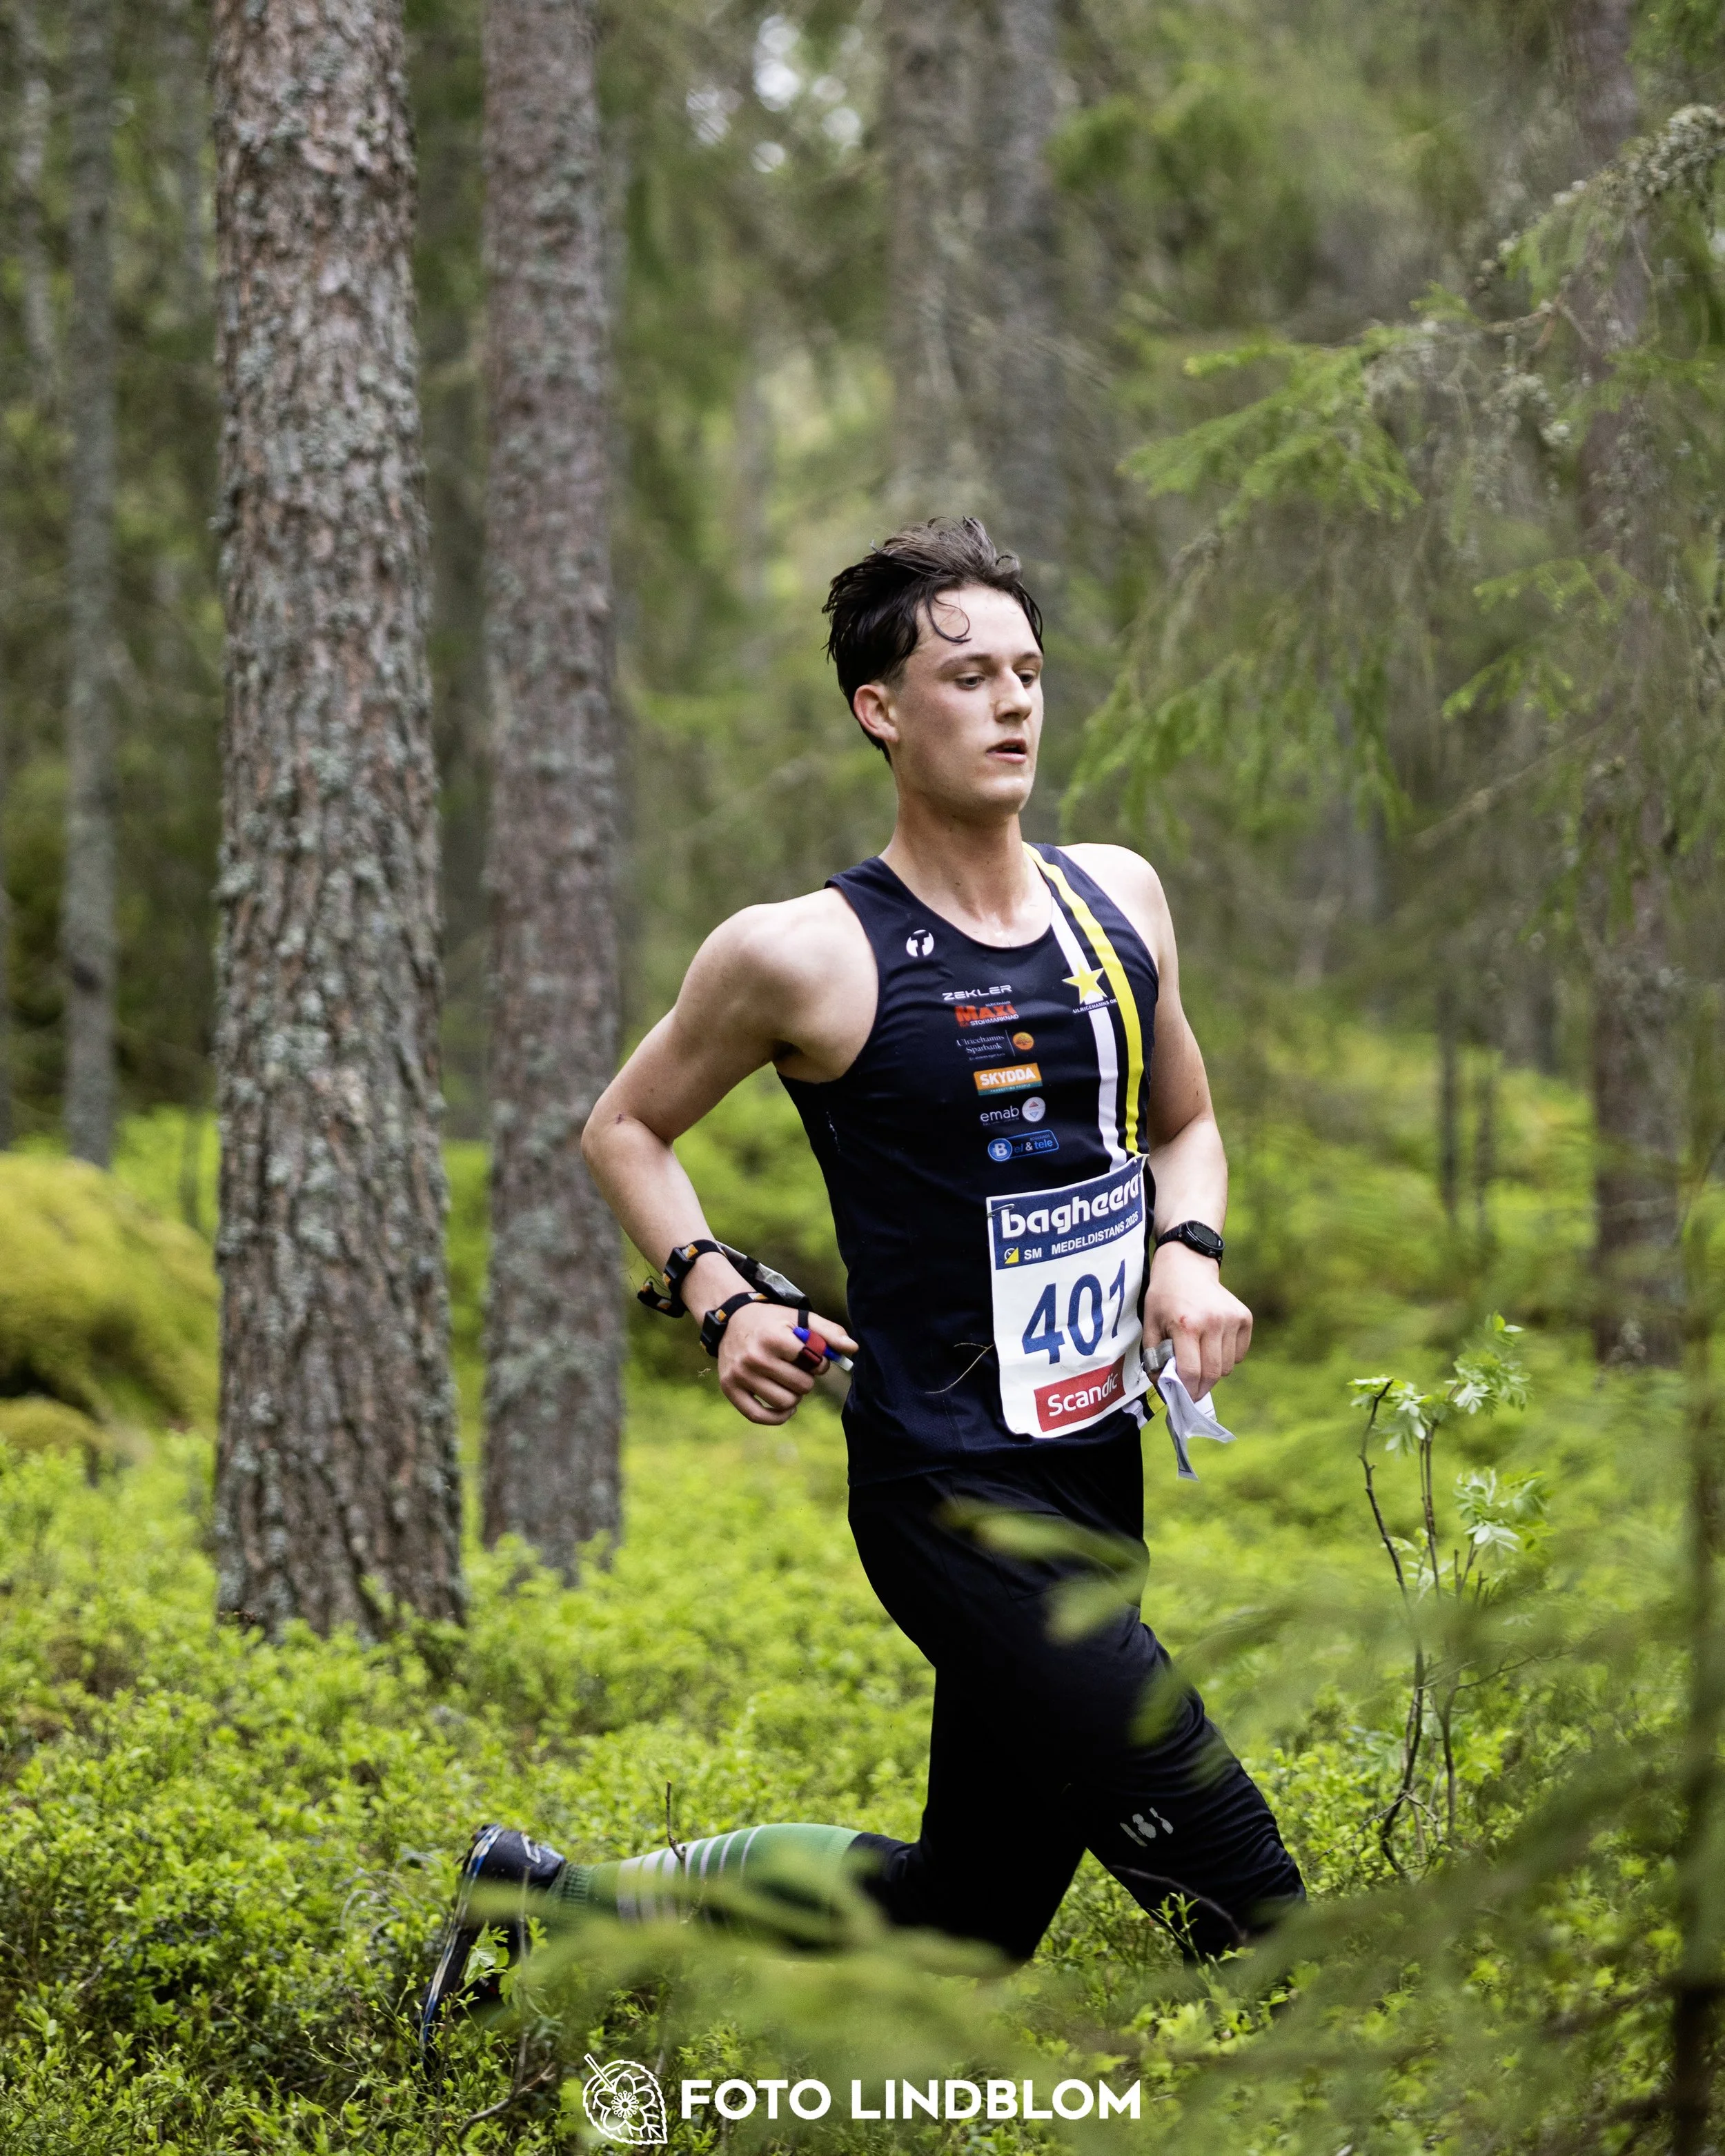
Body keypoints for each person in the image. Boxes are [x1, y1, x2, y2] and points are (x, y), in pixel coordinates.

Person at [420, 517, 1303, 2048]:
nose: (1012, 701)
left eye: (1028, 670)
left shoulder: (1119, 902)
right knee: (1253, 1907)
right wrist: (716, 1291)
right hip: (943, 1489)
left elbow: (1184, 1125)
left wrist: (1187, 1252)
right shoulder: (802, 955)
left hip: (1092, 1469)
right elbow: (623, 1128)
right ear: (880, 710)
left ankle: (543, 1898)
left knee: (960, 1922)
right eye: (967, 675)